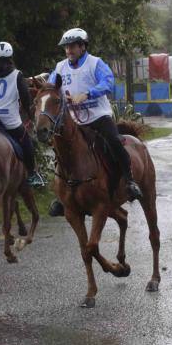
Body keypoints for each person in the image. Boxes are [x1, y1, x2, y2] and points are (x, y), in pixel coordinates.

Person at [46, 28, 142, 217]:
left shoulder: (95, 63)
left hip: (98, 116)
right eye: (66, 48)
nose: (68, 51)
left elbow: (108, 82)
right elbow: (51, 86)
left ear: (82, 46)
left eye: (72, 47)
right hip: (73, 120)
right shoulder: (60, 67)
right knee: (59, 147)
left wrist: (88, 93)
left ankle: (129, 182)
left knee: (114, 141)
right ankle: (61, 196)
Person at [0, 41, 43, 187]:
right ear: (11, 56)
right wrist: (31, 116)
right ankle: (32, 174)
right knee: (27, 141)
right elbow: (26, 99)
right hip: (7, 118)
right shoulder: (16, 75)